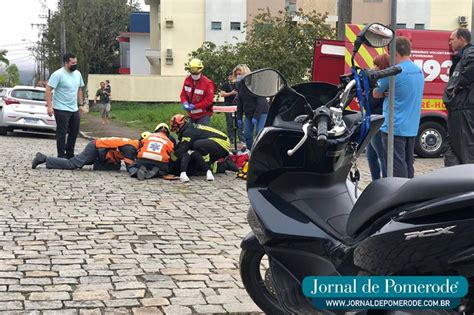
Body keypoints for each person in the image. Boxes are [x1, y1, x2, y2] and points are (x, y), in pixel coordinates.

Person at [373, 36, 424, 178]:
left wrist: (386, 93)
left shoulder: (393, 72)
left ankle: (399, 195)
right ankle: (410, 192)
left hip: (393, 127)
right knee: (408, 164)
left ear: (395, 52)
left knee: (395, 166)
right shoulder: (419, 71)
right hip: (412, 127)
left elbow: (376, 93)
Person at [442, 28, 474, 166]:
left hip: (464, 109)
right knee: (451, 150)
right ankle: (454, 181)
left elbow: (469, 72)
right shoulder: (460, 57)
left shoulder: (470, 52)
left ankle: (468, 182)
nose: (450, 42)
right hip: (456, 109)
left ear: (461, 39)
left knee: (465, 150)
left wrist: (458, 87)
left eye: (452, 39)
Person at [46, 53, 85, 159]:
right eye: (72, 63)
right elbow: (48, 89)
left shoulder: (78, 74)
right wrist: (49, 106)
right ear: (66, 63)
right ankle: (61, 155)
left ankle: (70, 154)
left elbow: (79, 89)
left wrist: (81, 104)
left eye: (76, 62)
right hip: (60, 108)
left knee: (74, 131)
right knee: (62, 132)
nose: (75, 64)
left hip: (74, 108)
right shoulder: (58, 74)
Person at [170, 114, 230, 182]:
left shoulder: (188, 132)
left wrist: (171, 156)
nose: (175, 130)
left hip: (222, 142)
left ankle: (208, 166)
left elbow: (183, 149)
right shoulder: (188, 128)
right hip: (216, 142)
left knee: (197, 145)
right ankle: (216, 166)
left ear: (181, 125)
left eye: (175, 127)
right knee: (196, 148)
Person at [31, 137, 139, 170]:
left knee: (115, 167)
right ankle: (44, 158)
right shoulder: (131, 148)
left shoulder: (131, 143)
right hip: (95, 147)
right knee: (72, 164)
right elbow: (130, 167)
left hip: (99, 148)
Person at [235, 64, 269, 149]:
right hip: (249, 113)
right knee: (247, 135)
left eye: (240, 74)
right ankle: (251, 151)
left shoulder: (255, 84)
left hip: (261, 112)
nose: (238, 76)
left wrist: (256, 116)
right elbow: (240, 102)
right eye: (237, 74)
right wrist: (239, 117)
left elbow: (260, 101)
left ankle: (260, 151)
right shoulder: (240, 85)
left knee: (259, 132)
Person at [367, 53, 390, 180]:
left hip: (378, 121)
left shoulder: (383, 82)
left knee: (380, 155)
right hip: (372, 120)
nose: (374, 68)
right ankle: (375, 181)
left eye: (377, 65)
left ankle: (385, 182)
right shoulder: (377, 82)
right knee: (371, 156)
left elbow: (371, 100)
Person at [180, 58, 215, 125]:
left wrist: (195, 106)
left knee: (202, 134)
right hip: (191, 115)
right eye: (192, 73)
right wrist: (185, 102)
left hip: (203, 115)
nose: (194, 75)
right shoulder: (187, 80)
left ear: (201, 70)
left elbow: (209, 101)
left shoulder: (208, 83)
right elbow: (183, 95)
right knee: (190, 134)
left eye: (196, 73)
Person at [219, 72, 244, 147]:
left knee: (239, 123)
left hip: (237, 106)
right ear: (228, 78)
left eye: (232, 77)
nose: (231, 78)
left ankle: (242, 140)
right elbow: (222, 94)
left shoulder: (238, 84)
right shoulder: (225, 85)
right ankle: (231, 139)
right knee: (229, 123)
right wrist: (231, 93)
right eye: (230, 77)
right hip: (228, 106)